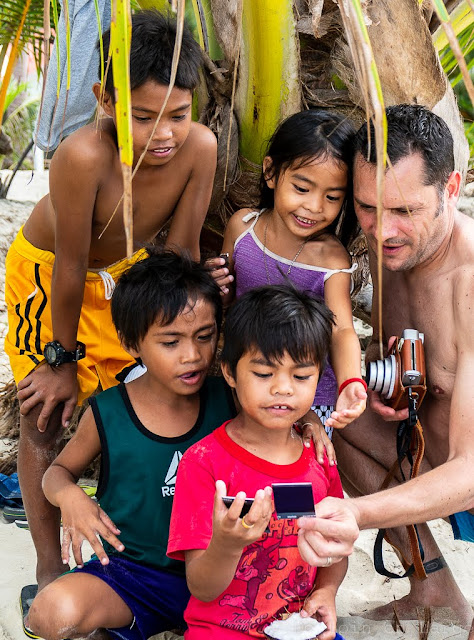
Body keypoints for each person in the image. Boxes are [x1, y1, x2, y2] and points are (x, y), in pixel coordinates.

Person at [5, 10, 217, 593]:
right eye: (142, 117)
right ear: (104, 98)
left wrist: (196, 314)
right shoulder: (83, 157)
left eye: (178, 114)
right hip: (51, 282)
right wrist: (61, 361)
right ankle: (49, 566)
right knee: (43, 416)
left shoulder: (199, 149)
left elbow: (180, 251)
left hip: (126, 275)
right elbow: (71, 266)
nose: (164, 134)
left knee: (153, 399)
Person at [295, 105, 474, 632]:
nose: (383, 229)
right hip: (432, 455)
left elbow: (470, 473)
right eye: (368, 207)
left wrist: (356, 514)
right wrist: (393, 386)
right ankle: (432, 585)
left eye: (404, 210)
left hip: (465, 473)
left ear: (452, 188)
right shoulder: (386, 247)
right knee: (329, 417)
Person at [25, 249, 237, 640]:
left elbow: (282, 405)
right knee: (49, 613)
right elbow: (56, 473)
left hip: (224, 574)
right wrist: (71, 497)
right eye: (170, 342)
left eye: (205, 337)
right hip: (135, 575)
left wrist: (307, 419)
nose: (192, 355)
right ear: (131, 342)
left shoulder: (231, 398)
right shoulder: (110, 411)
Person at [167, 285, 348, 640]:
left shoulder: (319, 457)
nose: (282, 388)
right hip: (221, 630)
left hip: (299, 626)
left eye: (300, 376)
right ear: (230, 373)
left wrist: (326, 591)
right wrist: (227, 544)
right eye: (264, 374)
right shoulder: (205, 463)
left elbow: (336, 545)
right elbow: (201, 587)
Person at [209, 110, 366, 437]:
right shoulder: (243, 229)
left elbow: (342, 332)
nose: (314, 207)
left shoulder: (330, 260)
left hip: (306, 400)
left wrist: (351, 381)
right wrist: (217, 288)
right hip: (242, 386)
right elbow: (223, 305)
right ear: (270, 173)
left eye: (332, 197)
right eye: (302, 188)